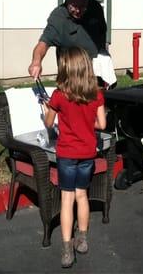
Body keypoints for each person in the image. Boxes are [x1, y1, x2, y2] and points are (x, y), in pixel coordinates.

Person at [43, 46, 106, 268]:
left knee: (67, 199)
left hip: (67, 154)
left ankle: (67, 249)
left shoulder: (59, 95)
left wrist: (45, 110)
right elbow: (102, 124)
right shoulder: (96, 94)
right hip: (87, 153)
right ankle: (83, 239)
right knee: (82, 196)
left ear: (66, 69)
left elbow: (49, 123)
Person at [29, 0, 108, 79]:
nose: (78, 10)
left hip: (95, 71)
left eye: (82, 6)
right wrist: (36, 62)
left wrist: (104, 53)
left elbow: (102, 32)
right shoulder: (58, 17)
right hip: (70, 74)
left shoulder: (95, 8)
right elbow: (43, 43)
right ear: (67, 2)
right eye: (74, 6)